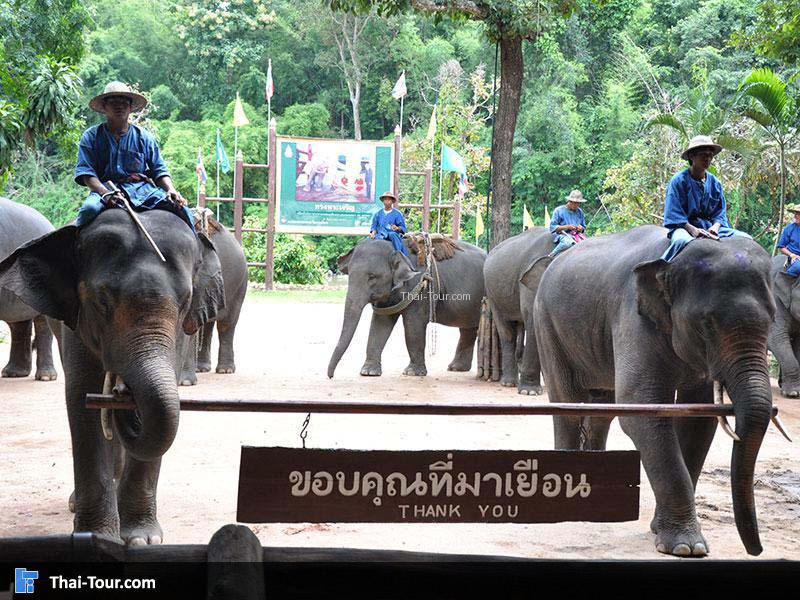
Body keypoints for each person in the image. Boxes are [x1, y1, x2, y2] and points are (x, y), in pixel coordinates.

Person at [74, 81, 193, 229]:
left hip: (143, 191)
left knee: (182, 209)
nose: (119, 105)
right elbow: (86, 173)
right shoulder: (91, 137)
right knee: (88, 210)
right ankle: (71, 248)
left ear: (130, 107)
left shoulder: (145, 137)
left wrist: (171, 189)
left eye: (124, 101)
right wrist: (106, 193)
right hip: (104, 190)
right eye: (113, 101)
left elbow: (159, 170)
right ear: (104, 107)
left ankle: (200, 246)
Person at [661, 135, 750, 262]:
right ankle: (660, 268)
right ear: (692, 156)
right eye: (703, 154)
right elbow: (673, 213)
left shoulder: (715, 183)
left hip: (710, 227)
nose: (708, 158)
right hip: (684, 228)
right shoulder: (678, 181)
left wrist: (715, 227)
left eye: (710, 155)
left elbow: (720, 212)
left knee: (745, 238)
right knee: (681, 241)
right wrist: (693, 229)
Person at [548, 190, 588, 257]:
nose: (577, 205)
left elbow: (583, 227)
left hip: (577, 235)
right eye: (575, 203)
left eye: (578, 203)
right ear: (570, 201)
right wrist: (567, 227)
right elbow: (552, 227)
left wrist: (580, 228)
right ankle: (552, 255)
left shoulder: (580, 211)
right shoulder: (559, 210)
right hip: (563, 235)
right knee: (568, 243)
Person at [369, 191, 408, 256]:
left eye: (389, 199)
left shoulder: (397, 214)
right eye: (385, 199)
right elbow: (374, 226)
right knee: (367, 242)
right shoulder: (378, 214)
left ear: (392, 201)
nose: (387, 201)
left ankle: (400, 254)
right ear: (383, 201)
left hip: (392, 234)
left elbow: (403, 228)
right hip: (380, 234)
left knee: (393, 234)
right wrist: (373, 232)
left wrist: (397, 228)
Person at [777, 205, 800, 277]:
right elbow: (781, 247)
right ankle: (787, 280)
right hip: (794, 258)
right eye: (795, 213)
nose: (795, 216)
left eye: (798, 214)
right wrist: (792, 255)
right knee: (797, 267)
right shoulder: (789, 228)